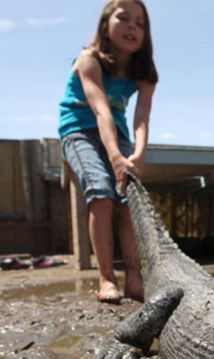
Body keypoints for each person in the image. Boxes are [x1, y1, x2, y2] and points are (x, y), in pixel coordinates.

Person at [58, 0, 158, 304]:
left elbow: (141, 118)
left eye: (140, 23)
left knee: (130, 200)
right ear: (105, 24)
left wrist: (138, 154)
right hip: (80, 130)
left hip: (120, 134)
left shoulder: (145, 74)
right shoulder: (89, 60)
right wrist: (115, 157)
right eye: (124, 18)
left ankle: (134, 278)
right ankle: (105, 278)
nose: (132, 27)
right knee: (101, 192)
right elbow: (101, 111)